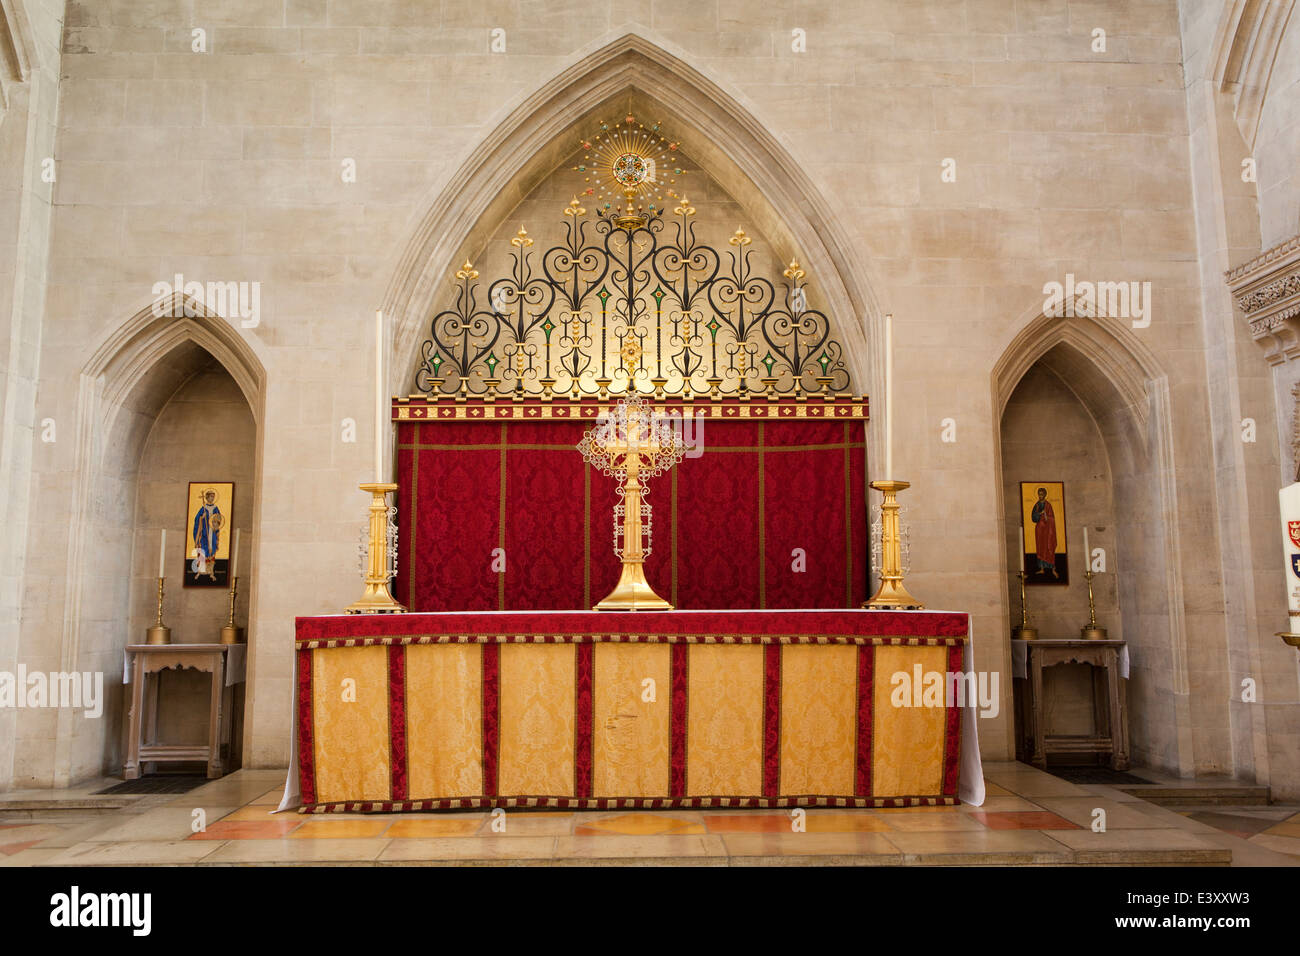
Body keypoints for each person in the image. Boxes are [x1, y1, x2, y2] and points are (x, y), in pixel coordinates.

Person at [191, 488, 222, 579]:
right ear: (207, 498)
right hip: (204, 533)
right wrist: (201, 517)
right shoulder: (203, 509)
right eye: (211, 497)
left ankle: (210, 571)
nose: (212, 498)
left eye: (213, 497)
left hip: (212, 532)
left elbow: (219, 519)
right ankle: (201, 570)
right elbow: (197, 520)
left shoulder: (216, 508)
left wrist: (216, 521)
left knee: (211, 550)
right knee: (203, 550)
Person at [1031, 487, 1058, 578]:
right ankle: (1042, 568)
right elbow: (1033, 518)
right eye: (1039, 494)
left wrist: (1046, 515)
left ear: (1045, 495)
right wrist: (1039, 514)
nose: (1040, 496)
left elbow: (1052, 518)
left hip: (1048, 530)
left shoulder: (1048, 505)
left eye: (1042, 494)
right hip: (1039, 530)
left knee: (1048, 546)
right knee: (1040, 547)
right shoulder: (1037, 505)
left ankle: (1053, 569)